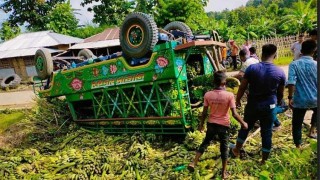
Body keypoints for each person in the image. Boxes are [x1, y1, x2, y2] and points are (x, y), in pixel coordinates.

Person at [231, 44, 286, 164]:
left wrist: (237, 100)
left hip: (253, 105)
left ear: (261, 54)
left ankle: (236, 150)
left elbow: (242, 87)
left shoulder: (252, 68)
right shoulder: (280, 72)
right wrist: (276, 104)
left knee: (245, 126)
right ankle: (264, 160)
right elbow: (280, 94)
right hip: (270, 107)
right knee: (267, 132)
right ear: (275, 55)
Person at [188, 71, 248, 179]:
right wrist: (243, 123)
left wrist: (201, 125)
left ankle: (193, 162)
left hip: (211, 124)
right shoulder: (229, 95)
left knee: (205, 142)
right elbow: (234, 114)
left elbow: (204, 112)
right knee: (224, 148)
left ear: (213, 82)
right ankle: (224, 173)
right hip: (223, 126)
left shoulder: (208, 94)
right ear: (224, 82)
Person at [287, 39, 317, 148]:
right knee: (317, 113)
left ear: (301, 50)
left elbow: (291, 82)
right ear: (314, 50)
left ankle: (298, 145)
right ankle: (312, 130)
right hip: (316, 98)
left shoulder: (294, 64)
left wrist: (290, 97)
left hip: (300, 99)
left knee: (297, 123)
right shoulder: (316, 64)